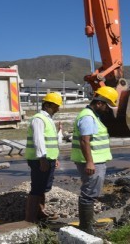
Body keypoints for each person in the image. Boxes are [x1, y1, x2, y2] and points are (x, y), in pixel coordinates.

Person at [70, 86, 118, 234]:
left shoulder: (92, 116)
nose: (107, 110)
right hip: (92, 162)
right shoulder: (88, 117)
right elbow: (85, 141)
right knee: (89, 193)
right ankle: (86, 227)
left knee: (91, 192)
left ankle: (88, 223)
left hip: (95, 161)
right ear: (99, 103)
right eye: (106, 106)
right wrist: (90, 162)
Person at [24, 92, 62, 223]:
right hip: (39, 160)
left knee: (43, 187)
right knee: (37, 188)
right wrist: (42, 159)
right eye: (56, 106)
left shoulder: (48, 119)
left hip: (47, 158)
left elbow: (50, 141)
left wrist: (54, 158)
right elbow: (38, 140)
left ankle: (40, 212)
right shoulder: (38, 119)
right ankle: (30, 218)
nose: (58, 108)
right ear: (47, 105)